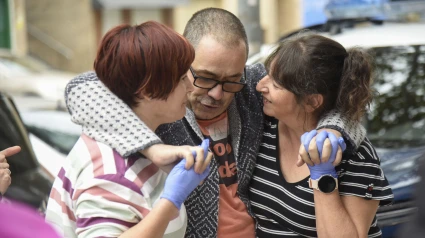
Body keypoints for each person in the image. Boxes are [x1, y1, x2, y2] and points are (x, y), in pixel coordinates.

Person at [63, 8, 366, 237]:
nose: (218, 94)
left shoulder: (251, 89)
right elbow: (80, 89)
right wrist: (152, 148)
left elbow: (329, 100)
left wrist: (332, 128)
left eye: (231, 80)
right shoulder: (161, 101)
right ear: (181, 64)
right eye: (205, 78)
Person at [45, 21, 212, 238]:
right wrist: (171, 201)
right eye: (181, 79)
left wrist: (151, 149)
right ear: (147, 90)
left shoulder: (118, 138)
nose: (190, 87)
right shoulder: (111, 173)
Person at [249, 33, 394, 237]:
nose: (260, 86)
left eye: (276, 85)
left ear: (311, 102)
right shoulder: (265, 126)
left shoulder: (355, 156)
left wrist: (323, 174)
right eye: (267, 74)